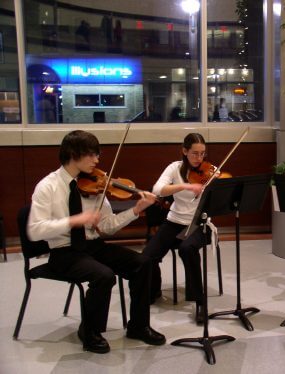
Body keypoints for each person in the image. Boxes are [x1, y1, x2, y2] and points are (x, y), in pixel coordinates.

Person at [27, 130, 166, 354]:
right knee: (104, 276)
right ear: (73, 154)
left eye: (97, 155)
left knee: (143, 262)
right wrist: (75, 220)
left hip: (93, 247)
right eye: (91, 155)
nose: (97, 160)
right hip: (64, 252)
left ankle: (138, 326)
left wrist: (136, 210)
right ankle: (89, 331)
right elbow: (34, 230)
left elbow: (108, 226)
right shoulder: (48, 187)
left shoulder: (96, 183)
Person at [142, 133, 211, 324]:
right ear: (184, 151)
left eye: (202, 154)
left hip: (200, 224)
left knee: (187, 249)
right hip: (174, 221)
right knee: (148, 255)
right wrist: (184, 186)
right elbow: (157, 190)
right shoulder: (174, 168)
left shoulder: (209, 172)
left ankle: (200, 302)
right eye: (195, 153)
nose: (199, 158)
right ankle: (154, 290)